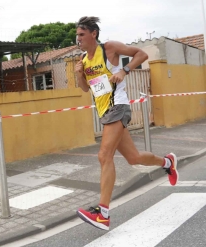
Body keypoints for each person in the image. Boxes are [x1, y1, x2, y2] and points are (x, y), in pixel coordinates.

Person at [75, 16, 179, 231]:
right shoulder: (84, 60)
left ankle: (102, 213)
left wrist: (125, 70)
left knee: (104, 155)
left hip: (118, 107)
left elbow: (142, 54)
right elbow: (85, 89)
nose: (78, 39)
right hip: (105, 112)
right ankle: (168, 163)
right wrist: (79, 75)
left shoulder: (109, 48)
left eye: (81, 34)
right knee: (134, 158)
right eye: (77, 35)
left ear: (93, 34)